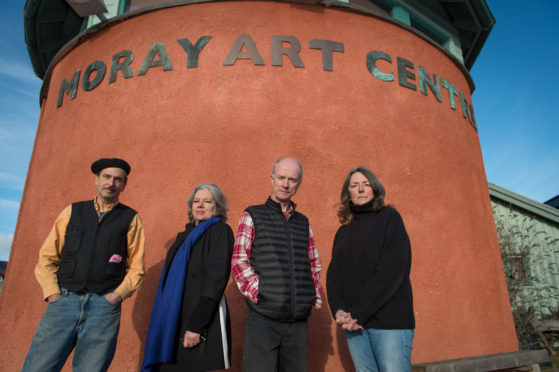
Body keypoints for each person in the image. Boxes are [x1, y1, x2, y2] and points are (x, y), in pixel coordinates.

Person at [22, 157, 145, 372]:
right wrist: (53, 293)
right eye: (106, 177)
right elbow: (47, 256)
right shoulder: (72, 212)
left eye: (118, 179)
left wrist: (115, 297)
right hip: (64, 301)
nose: (111, 183)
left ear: (124, 185)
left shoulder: (131, 218)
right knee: (38, 367)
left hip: (103, 308)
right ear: (96, 180)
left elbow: (136, 267)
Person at [231, 157, 322, 372]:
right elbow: (239, 261)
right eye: (281, 177)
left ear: (298, 184)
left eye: (292, 179)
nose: (286, 184)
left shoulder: (303, 222)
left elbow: (313, 263)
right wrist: (261, 292)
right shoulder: (253, 214)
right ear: (272, 179)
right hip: (264, 319)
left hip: (297, 323)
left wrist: (312, 294)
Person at [326, 166, 415, 372]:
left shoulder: (390, 219)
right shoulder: (343, 231)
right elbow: (334, 275)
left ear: (375, 189)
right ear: (348, 193)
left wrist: (356, 312)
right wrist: (339, 311)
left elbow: (392, 272)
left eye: (366, 184)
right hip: (355, 326)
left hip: (389, 324)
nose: (360, 189)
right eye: (355, 185)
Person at [142, 183, 234, 372]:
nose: (200, 205)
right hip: (173, 319)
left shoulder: (220, 231)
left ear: (218, 207)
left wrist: (196, 326)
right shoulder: (183, 237)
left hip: (197, 318)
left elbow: (215, 280)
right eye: (196, 201)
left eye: (207, 201)